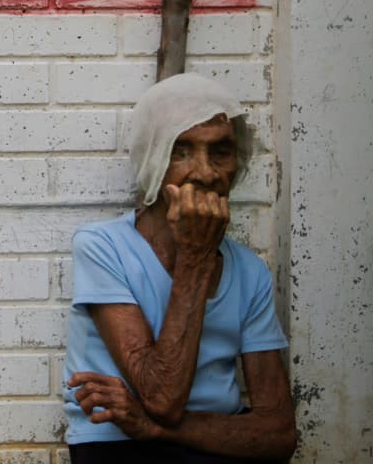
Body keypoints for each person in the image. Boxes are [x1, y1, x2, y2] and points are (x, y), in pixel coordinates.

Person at [64, 73, 297, 463]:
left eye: (220, 151)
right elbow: (162, 397)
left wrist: (156, 428)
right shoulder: (104, 247)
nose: (205, 173)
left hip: (213, 446)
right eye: (181, 151)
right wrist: (195, 258)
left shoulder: (249, 270)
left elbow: (279, 434)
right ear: (152, 158)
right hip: (117, 446)